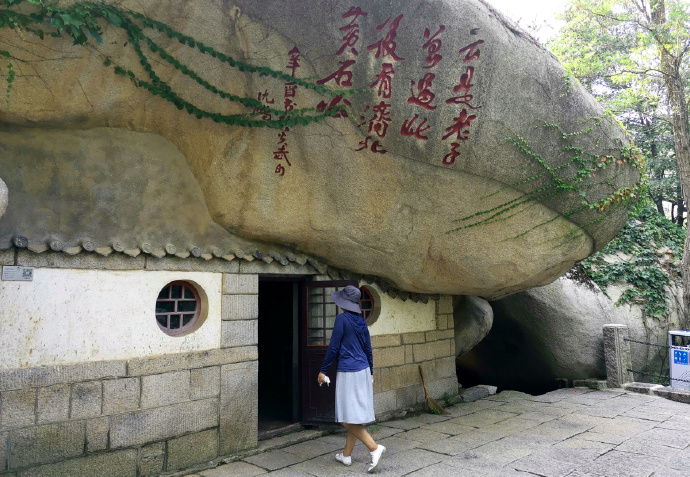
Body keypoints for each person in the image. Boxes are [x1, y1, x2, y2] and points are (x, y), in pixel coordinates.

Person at [317, 285, 386, 473]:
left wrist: (323, 370)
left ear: (343, 303)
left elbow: (333, 347)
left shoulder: (341, 319)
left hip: (349, 371)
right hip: (363, 370)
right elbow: (368, 348)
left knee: (345, 418)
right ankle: (346, 455)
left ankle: (374, 447)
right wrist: (371, 371)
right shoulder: (361, 321)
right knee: (353, 416)